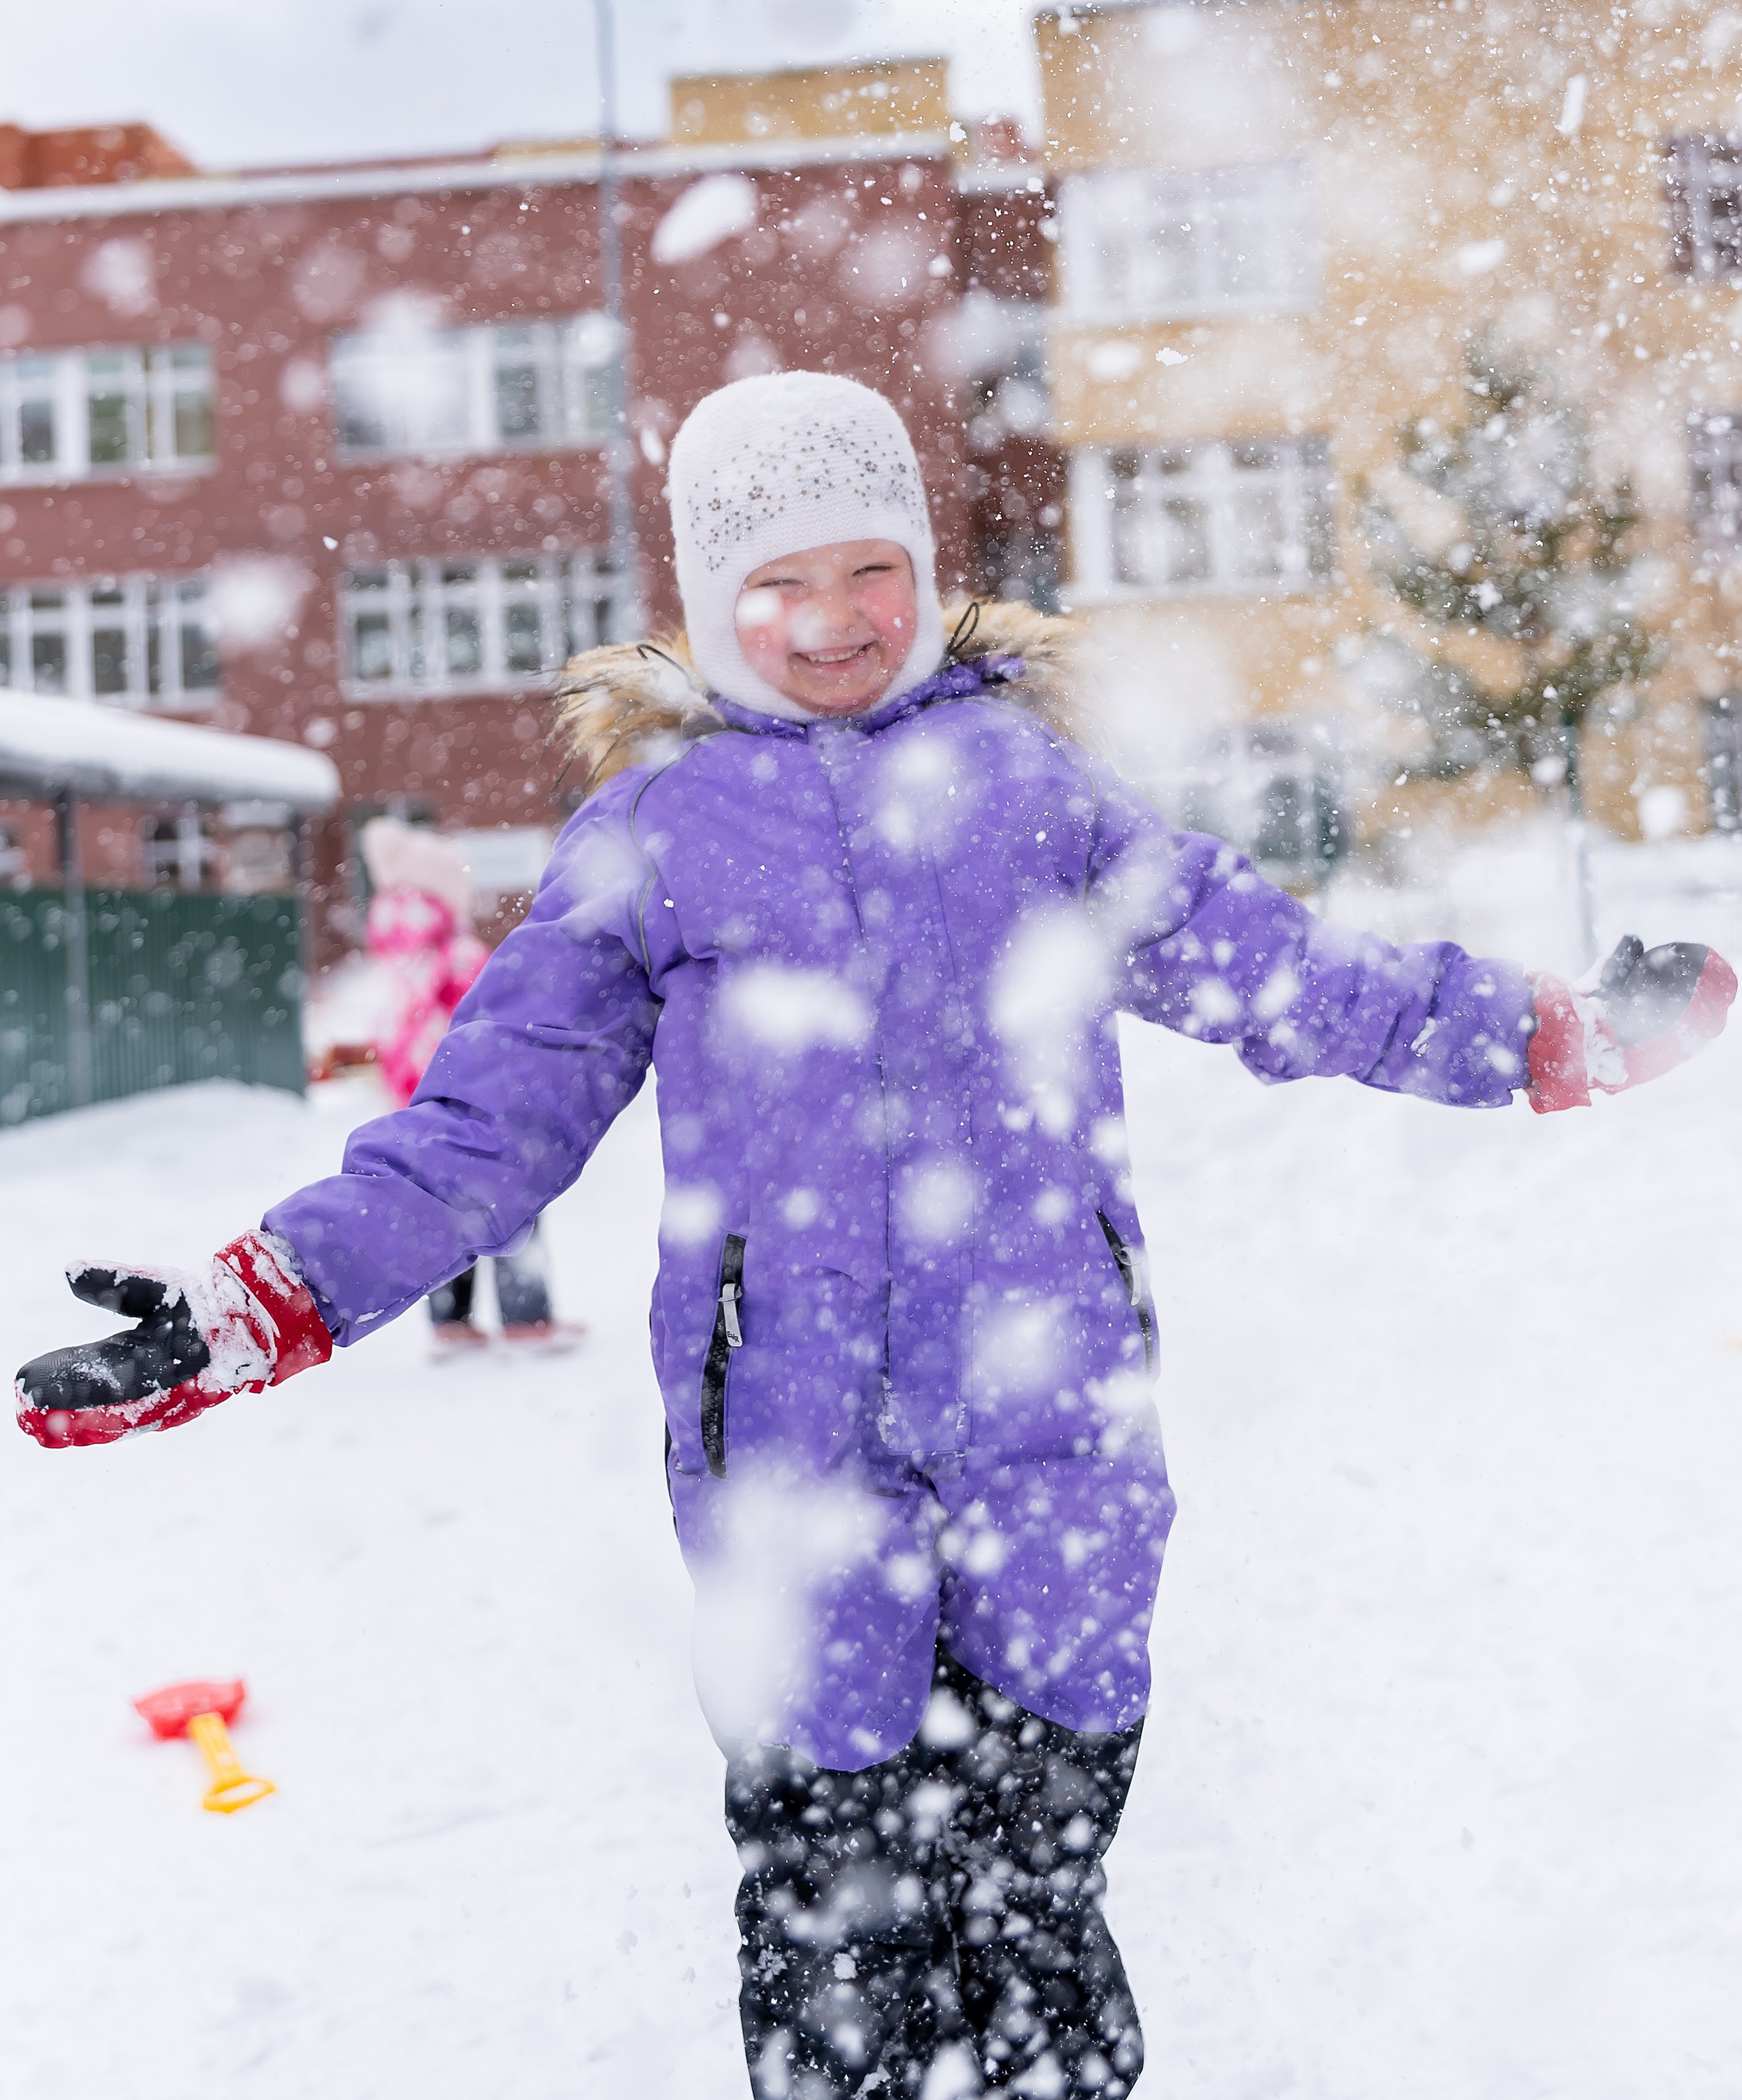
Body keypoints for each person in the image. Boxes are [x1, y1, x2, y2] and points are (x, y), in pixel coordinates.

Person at [16, 371, 1735, 2099]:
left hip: (1052, 1430)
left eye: (868, 570)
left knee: (1040, 1915)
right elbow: (486, 1123)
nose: (831, 621)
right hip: (787, 1453)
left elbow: (1271, 963)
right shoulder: (655, 837)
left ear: (923, 564)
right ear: (702, 594)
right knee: (836, 1939)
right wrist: (257, 1301)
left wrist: (1538, 1031)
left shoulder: (1024, 788)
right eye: (775, 583)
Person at [359, 813, 570, 1351]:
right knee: (513, 1200)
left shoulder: (395, 954)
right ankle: (529, 1315)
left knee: (442, 1214)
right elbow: (492, 1027)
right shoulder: (458, 954)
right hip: (475, 1101)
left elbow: (391, 1035)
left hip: (416, 1106)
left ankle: (450, 1320)